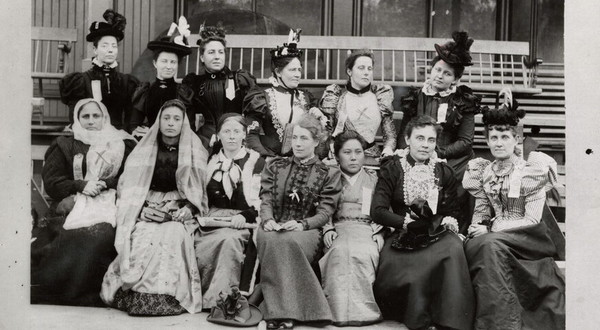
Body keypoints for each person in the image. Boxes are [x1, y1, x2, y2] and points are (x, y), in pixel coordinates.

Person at [462, 89, 565, 330]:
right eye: (494, 138)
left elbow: (531, 219)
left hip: (529, 238)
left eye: (505, 137)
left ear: (516, 139)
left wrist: (493, 227)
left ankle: (501, 324)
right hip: (496, 237)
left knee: (489, 245)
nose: (499, 143)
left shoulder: (531, 170)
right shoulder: (484, 171)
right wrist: (479, 225)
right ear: (487, 141)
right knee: (473, 244)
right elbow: (482, 210)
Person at [100, 99, 209, 315]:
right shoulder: (145, 148)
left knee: (173, 236)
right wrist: (141, 209)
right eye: (166, 118)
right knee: (142, 236)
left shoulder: (195, 148)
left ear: (183, 123)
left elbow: (199, 188)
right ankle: (137, 296)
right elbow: (130, 185)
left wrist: (189, 207)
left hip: (179, 210)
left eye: (176, 119)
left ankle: (168, 297)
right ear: (158, 121)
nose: (171, 123)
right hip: (148, 205)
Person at [372, 115, 474, 330]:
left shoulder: (443, 170)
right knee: (401, 264)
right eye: (419, 138)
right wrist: (406, 223)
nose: (425, 145)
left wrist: (447, 221)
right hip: (402, 231)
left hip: (435, 230)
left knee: (453, 248)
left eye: (431, 140)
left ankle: (448, 320)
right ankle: (417, 317)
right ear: (407, 139)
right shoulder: (392, 168)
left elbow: (453, 209)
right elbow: (378, 210)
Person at [31, 98, 136, 306]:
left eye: (96, 116)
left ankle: (86, 293)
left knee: (102, 234)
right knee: (68, 234)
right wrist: (80, 185)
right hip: (72, 203)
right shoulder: (65, 144)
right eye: (85, 116)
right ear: (77, 119)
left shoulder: (121, 144)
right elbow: (52, 181)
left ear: (104, 118)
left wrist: (105, 184)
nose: (90, 121)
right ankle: (59, 291)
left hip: (110, 203)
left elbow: (132, 176)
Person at [257, 114, 342, 329]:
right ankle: (285, 313)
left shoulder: (327, 173)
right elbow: (266, 198)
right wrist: (267, 220)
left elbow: (324, 213)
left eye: (304, 138)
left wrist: (302, 224)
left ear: (316, 141)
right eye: (295, 138)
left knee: (287, 242)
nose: (297, 143)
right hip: (273, 226)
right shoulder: (276, 165)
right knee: (273, 238)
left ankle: (278, 314)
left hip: (307, 231)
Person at [397, 31, 481, 232]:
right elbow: (404, 132)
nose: (440, 76)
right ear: (431, 69)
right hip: (419, 151)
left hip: (453, 157)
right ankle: (411, 225)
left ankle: (452, 229)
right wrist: (403, 152)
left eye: (447, 73)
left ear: (455, 79)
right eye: (437, 70)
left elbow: (466, 141)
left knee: (452, 177)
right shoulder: (416, 97)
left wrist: (439, 154)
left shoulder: (463, 100)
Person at [195, 113, 265, 307]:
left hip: (243, 221)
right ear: (218, 136)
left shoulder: (255, 161)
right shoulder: (210, 162)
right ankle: (198, 298)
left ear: (244, 134)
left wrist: (247, 215)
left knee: (228, 241)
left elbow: (263, 198)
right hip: (212, 218)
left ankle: (222, 301)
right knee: (193, 241)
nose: (232, 136)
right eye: (227, 132)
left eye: (237, 131)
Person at [319, 130, 383, 326]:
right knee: (339, 252)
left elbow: (382, 207)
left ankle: (363, 312)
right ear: (337, 155)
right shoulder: (330, 177)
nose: (354, 157)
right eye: (347, 152)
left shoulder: (374, 178)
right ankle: (336, 312)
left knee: (364, 252)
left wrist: (379, 231)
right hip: (338, 227)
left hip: (365, 228)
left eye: (358, 151)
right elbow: (323, 207)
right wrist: (327, 228)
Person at [243, 29, 328, 159]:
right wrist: (267, 159)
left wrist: (319, 118)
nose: (297, 74)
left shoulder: (306, 98)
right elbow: (251, 135)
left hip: (301, 161)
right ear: (278, 72)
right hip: (270, 161)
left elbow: (319, 137)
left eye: (299, 70)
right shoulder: (262, 98)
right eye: (292, 70)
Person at [60, 9, 139, 131]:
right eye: (105, 45)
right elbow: (75, 117)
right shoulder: (81, 81)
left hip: (117, 137)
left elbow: (130, 118)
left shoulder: (126, 82)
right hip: (89, 136)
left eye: (114, 46)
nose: (110, 50)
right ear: (95, 49)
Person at [182, 24, 257, 149]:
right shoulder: (194, 83)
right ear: (202, 57)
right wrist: (194, 142)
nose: (217, 56)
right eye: (211, 52)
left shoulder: (240, 79)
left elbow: (254, 114)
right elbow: (187, 121)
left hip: (236, 138)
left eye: (220, 52)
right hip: (204, 140)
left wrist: (242, 133)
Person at [320, 49, 395, 162]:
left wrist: (387, 151)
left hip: (372, 159)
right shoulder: (337, 97)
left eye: (369, 69)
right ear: (349, 71)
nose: (366, 72)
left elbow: (390, 135)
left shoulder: (380, 96)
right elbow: (327, 134)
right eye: (361, 68)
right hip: (343, 158)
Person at [129, 16, 194, 138]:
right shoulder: (145, 92)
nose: (168, 66)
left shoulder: (183, 93)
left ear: (177, 65)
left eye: (173, 62)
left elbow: (190, 127)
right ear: (155, 63)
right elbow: (134, 124)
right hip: (149, 141)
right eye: (164, 61)